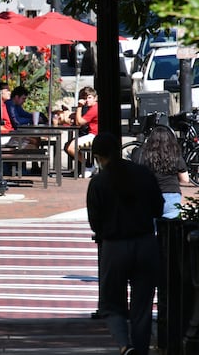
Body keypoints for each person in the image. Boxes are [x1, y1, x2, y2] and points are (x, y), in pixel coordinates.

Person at [87, 132, 163, 355]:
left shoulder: (99, 182)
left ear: (98, 156)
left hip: (114, 246)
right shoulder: (143, 174)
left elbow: (95, 222)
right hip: (145, 243)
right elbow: (158, 208)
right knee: (143, 306)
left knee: (111, 304)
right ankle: (141, 349)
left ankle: (124, 343)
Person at [132, 125, 189, 219]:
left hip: (148, 196)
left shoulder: (140, 153)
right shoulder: (175, 155)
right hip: (171, 196)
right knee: (169, 229)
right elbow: (185, 179)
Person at [66, 86, 99, 178]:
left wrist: (79, 106)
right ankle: (87, 166)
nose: (87, 100)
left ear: (95, 98)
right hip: (94, 134)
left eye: (89, 97)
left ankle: (89, 166)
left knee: (70, 147)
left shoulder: (94, 109)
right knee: (66, 145)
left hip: (94, 136)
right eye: (85, 98)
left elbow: (79, 122)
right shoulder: (93, 108)